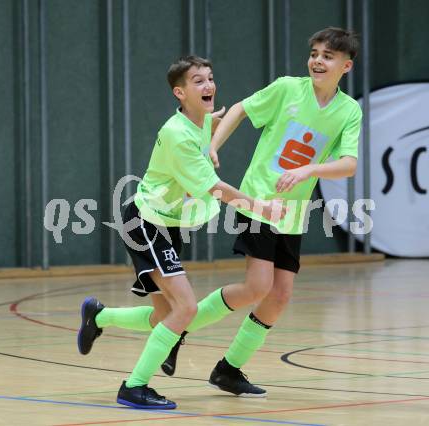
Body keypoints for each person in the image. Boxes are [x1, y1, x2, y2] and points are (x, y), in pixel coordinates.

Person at [77, 56, 286, 410]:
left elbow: (204, 141)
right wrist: (261, 208)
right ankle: (134, 386)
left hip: (166, 224)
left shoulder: (200, 121)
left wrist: (214, 121)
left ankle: (99, 316)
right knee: (186, 308)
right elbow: (216, 189)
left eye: (210, 78)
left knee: (165, 316)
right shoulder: (177, 135)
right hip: (146, 223)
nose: (209, 86)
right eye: (198, 81)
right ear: (180, 92)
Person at [163, 27, 362, 397]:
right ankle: (178, 328)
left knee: (280, 294)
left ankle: (228, 369)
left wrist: (309, 170)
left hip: (292, 211)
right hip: (256, 199)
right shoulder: (288, 88)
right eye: (315, 52)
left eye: (328, 56)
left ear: (345, 66)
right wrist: (211, 144)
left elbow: (349, 164)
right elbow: (239, 109)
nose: (318, 60)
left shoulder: (349, 111)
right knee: (258, 286)